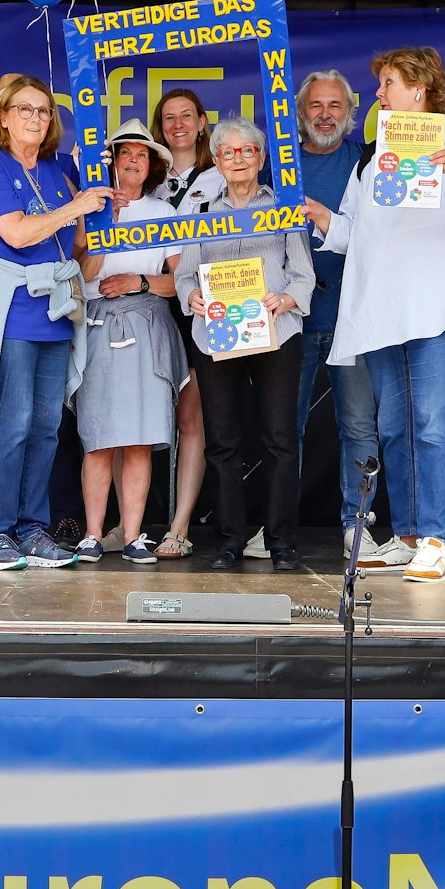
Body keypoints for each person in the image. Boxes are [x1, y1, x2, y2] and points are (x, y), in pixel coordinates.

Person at [310, 48, 445, 582]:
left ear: (419, 90)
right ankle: (406, 535)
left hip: (440, 310)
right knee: (395, 429)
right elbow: (354, 234)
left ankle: (438, 541)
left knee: (434, 426)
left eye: (388, 83)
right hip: (382, 313)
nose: (378, 94)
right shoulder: (370, 159)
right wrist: (323, 217)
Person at [0, 75, 113, 570]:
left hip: (55, 312)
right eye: (25, 110)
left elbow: (89, 213)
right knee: (13, 423)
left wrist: (99, 181)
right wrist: (77, 206)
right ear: (3, 117)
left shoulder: (54, 169)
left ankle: (30, 530)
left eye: (44, 112)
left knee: (46, 427)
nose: (36, 119)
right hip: (14, 311)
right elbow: (18, 234)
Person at [173, 118, 315, 571]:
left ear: (261, 157)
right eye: (228, 153)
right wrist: (190, 295)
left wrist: (287, 297)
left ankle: (282, 543)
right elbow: (183, 274)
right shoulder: (198, 212)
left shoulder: (285, 207)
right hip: (216, 335)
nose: (237, 159)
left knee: (279, 440)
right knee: (223, 442)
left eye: (247, 151)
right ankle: (230, 541)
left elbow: (303, 273)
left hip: (277, 331)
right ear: (215, 161)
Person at [73, 122, 189, 564]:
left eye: (144, 154)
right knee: (99, 437)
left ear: (154, 165)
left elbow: (180, 281)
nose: (136, 160)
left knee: (140, 438)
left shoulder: (165, 213)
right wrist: (109, 221)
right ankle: (92, 534)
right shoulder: (90, 209)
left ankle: (136, 534)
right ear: (112, 162)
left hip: (148, 323)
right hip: (100, 323)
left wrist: (139, 280)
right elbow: (81, 275)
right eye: (127, 153)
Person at [293, 69, 383, 560]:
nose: (325, 115)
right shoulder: (280, 168)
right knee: (285, 429)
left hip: (353, 318)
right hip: (290, 319)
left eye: (334, 107)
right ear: (300, 113)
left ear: (350, 114)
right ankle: (276, 521)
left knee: (359, 426)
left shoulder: (368, 164)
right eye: (315, 106)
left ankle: (358, 524)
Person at [148, 88, 225, 559]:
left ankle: (180, 525)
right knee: (140, 416)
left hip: (205, 303)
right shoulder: (148, 176)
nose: (177, 125)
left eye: (186, 116)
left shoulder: (224, 171)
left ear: (202, 122)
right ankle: (129, 523)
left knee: (191, 417)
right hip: (155, 305)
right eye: (168, 118)